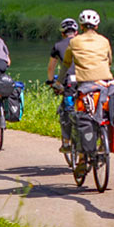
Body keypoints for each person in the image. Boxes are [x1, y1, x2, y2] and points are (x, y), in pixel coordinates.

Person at [60, 9, 113, 175]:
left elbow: (66, 64)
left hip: (85, 86)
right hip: (104, 84)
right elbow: (109, 60)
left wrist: (58, 82)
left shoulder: (74, 42)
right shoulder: (105, 41)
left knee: (80, 119)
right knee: (106, 114)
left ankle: (82, 159)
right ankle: (103, 145)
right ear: (97, 25)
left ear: (81, 26)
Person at [46, 18, 79, 153]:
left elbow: (51, 68)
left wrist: (52, 82)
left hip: (69, 82)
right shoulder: (83, 44)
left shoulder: (58, 46)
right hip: (87, 79)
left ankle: (66, 142)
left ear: (62, 33)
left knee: (67, 111)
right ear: (76, 32)